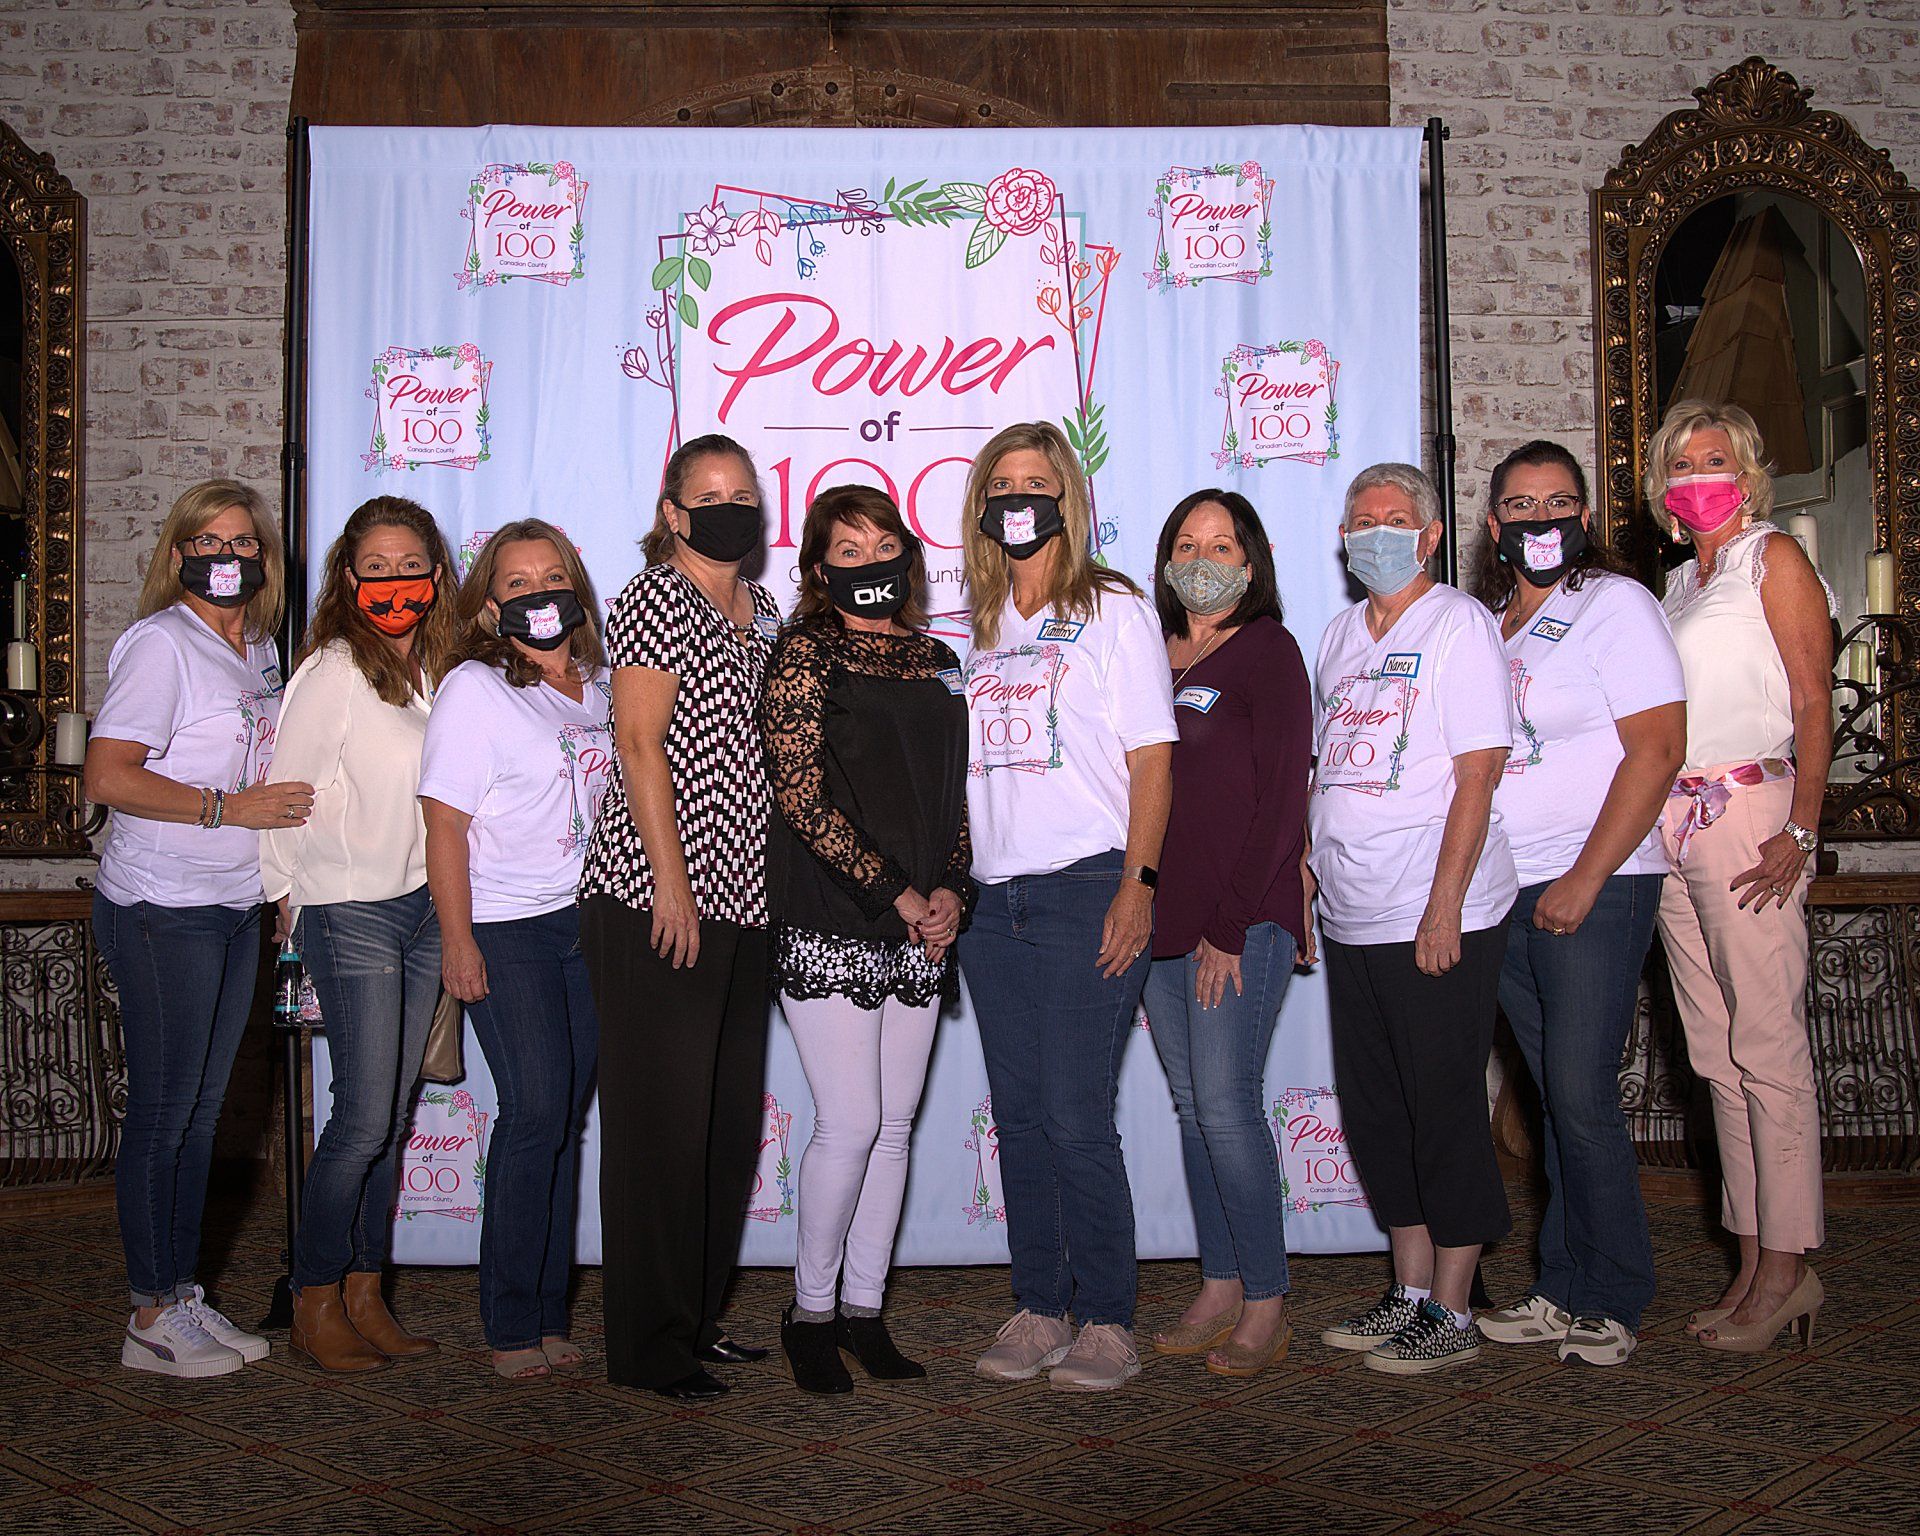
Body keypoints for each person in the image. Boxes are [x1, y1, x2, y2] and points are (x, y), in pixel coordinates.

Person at [957, 421, 1177, 1393]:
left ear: (1067, 500)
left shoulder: (1114, 609)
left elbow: (1152, 760)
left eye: (1034, 481)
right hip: (990, 903)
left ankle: (1107, 1320)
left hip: (1088, 886)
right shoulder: (972, 620)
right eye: (1000, 482)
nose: (1017, 496)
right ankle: (1039, 1302)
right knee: (1019, 1114)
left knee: (1077, 1113)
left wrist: (1139, 883)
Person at [86, 479, 311, 1378]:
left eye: (243, 541)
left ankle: (180, 1293)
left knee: (205, 1113)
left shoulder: (255, 646)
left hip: (227, 906)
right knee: (166, 1112)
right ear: (178, 552)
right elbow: (108, 776)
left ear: (264, 556)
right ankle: (148, 1310)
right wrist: (231, 807)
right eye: (207, 541)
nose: (228, 556)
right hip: (158, 907)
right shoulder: (161, 644)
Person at [1470, 441, 1687, 1367]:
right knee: (1550, 1099)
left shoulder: (1615, 605)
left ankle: (1613, 1296)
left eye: (1559, 503)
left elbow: (1658, 750)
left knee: (1583, 1096)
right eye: (1520, 507)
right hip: (1510, 890)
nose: (1540, 520)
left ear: (1585, 517)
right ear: (1494, 528)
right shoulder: (1489, 625)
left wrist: (1586, 878)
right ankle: (1559, 1288)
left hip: (1594, 884)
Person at [578, 433, 780, 1402]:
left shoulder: (765, 610)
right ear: (673, 512)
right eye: (710, 494)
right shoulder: (657, 595)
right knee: (660, 1132)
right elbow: (637, 740)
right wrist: (672, 884)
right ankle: (648, 1344)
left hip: (747, 902)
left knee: (723, 1128)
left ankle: (695, 1320)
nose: (730, 505)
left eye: (743, 491)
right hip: (658, 899)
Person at [760, 485, 972, 1395]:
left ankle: (864, 1309)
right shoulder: (802, 655)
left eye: (883, 543)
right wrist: (901, 892)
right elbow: (801, 798)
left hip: (923, 926)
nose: (869, 559)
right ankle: (809, 1315)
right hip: (833, 918)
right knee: (848, 1124)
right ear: (817, 570)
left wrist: (952, 893)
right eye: (848, 549)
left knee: (893, 1129)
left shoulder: (937, 660)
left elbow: (956, 796)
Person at [1311, 462, 1517, 1375]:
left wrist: (1445, 906)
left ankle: (1455, 1305)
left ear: (1431, 536)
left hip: (1436, 912)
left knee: (1443, 1109)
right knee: (1378, 1111)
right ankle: (1407, 1290)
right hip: (1355, 913)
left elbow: (1478, 773)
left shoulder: (1460, 625)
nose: (1377, 533)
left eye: (1396, 519)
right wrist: (1311, 881)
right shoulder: (1338, 634)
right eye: (1362, 520)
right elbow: (1328, 771)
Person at [1646, 400, 1833, 1353]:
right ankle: (1752, 1258)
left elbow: (1810, 696)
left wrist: (1802, 826)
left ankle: (1789, 1271)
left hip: (1753, 812)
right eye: (1679, 464)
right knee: (1714, 1056)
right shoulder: (1678, 583)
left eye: (1712, 458)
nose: (1695, 475)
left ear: (1748, 472)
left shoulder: (1774, 560)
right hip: (1674, 823)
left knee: (1768, 1046)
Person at [262, 495, 457, 1373]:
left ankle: (367, 1293)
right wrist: (283, 901)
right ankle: (312, 1296)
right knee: (361, 1118)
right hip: (350, 909)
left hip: (423, 910)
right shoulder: (335, 668)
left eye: (407, 565)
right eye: (374, 568)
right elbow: (284, 792)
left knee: (393, 1114)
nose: (393, 582)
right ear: (348, 577)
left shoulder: (440, 672)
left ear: (436, 573)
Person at [420, 520, 611, 1380]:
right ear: (490, 604)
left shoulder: (600, 685)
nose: (538, 594)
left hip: (591, 927)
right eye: (517, 582)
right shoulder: (475, 688)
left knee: (565, 1120)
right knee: (534, 1112)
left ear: (576, 589)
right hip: (507, 927)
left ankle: (547, 1312)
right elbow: (445, 827)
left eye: (552, 577)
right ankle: (507, 1324)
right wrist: (459, 942)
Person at [1142, 489, 1312, 1378]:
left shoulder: (1270, 652)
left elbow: (1284, 801)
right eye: (1186, 542)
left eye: (1222, 543)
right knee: (1190, 1108)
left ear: (1252, 561)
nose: (1202, 556)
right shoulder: (1151, 652)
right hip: (1159, 924)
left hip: (1240, 925)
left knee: (1227, 1108)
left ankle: (1266, 1297)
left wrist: (1232, 927)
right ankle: (1217, 1281)